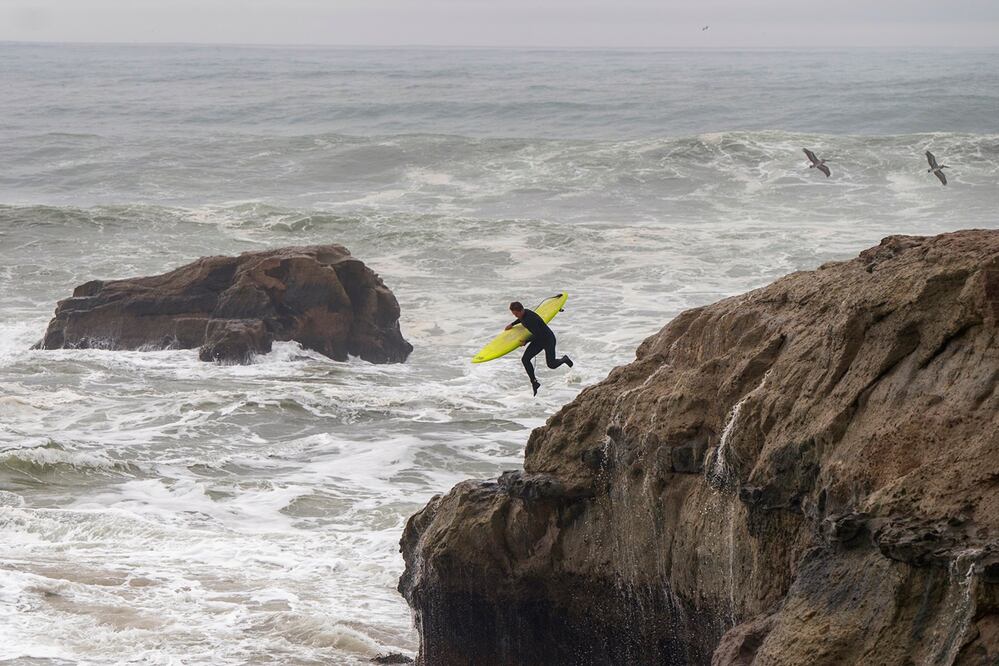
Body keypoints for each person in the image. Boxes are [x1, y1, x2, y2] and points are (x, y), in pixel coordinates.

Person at [505, 301, 573, 396]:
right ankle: (534, 382)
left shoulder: (530, 319)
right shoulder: (524, 314)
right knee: (525, 359)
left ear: (521, 310)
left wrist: (526, 341)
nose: (515, 316)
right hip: (538, 340)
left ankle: (564, 359)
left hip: (547, 339)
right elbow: (521, 320)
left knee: (552, 365)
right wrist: (512, 324)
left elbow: (538, 334)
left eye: (516, 314)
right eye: (514, 314)